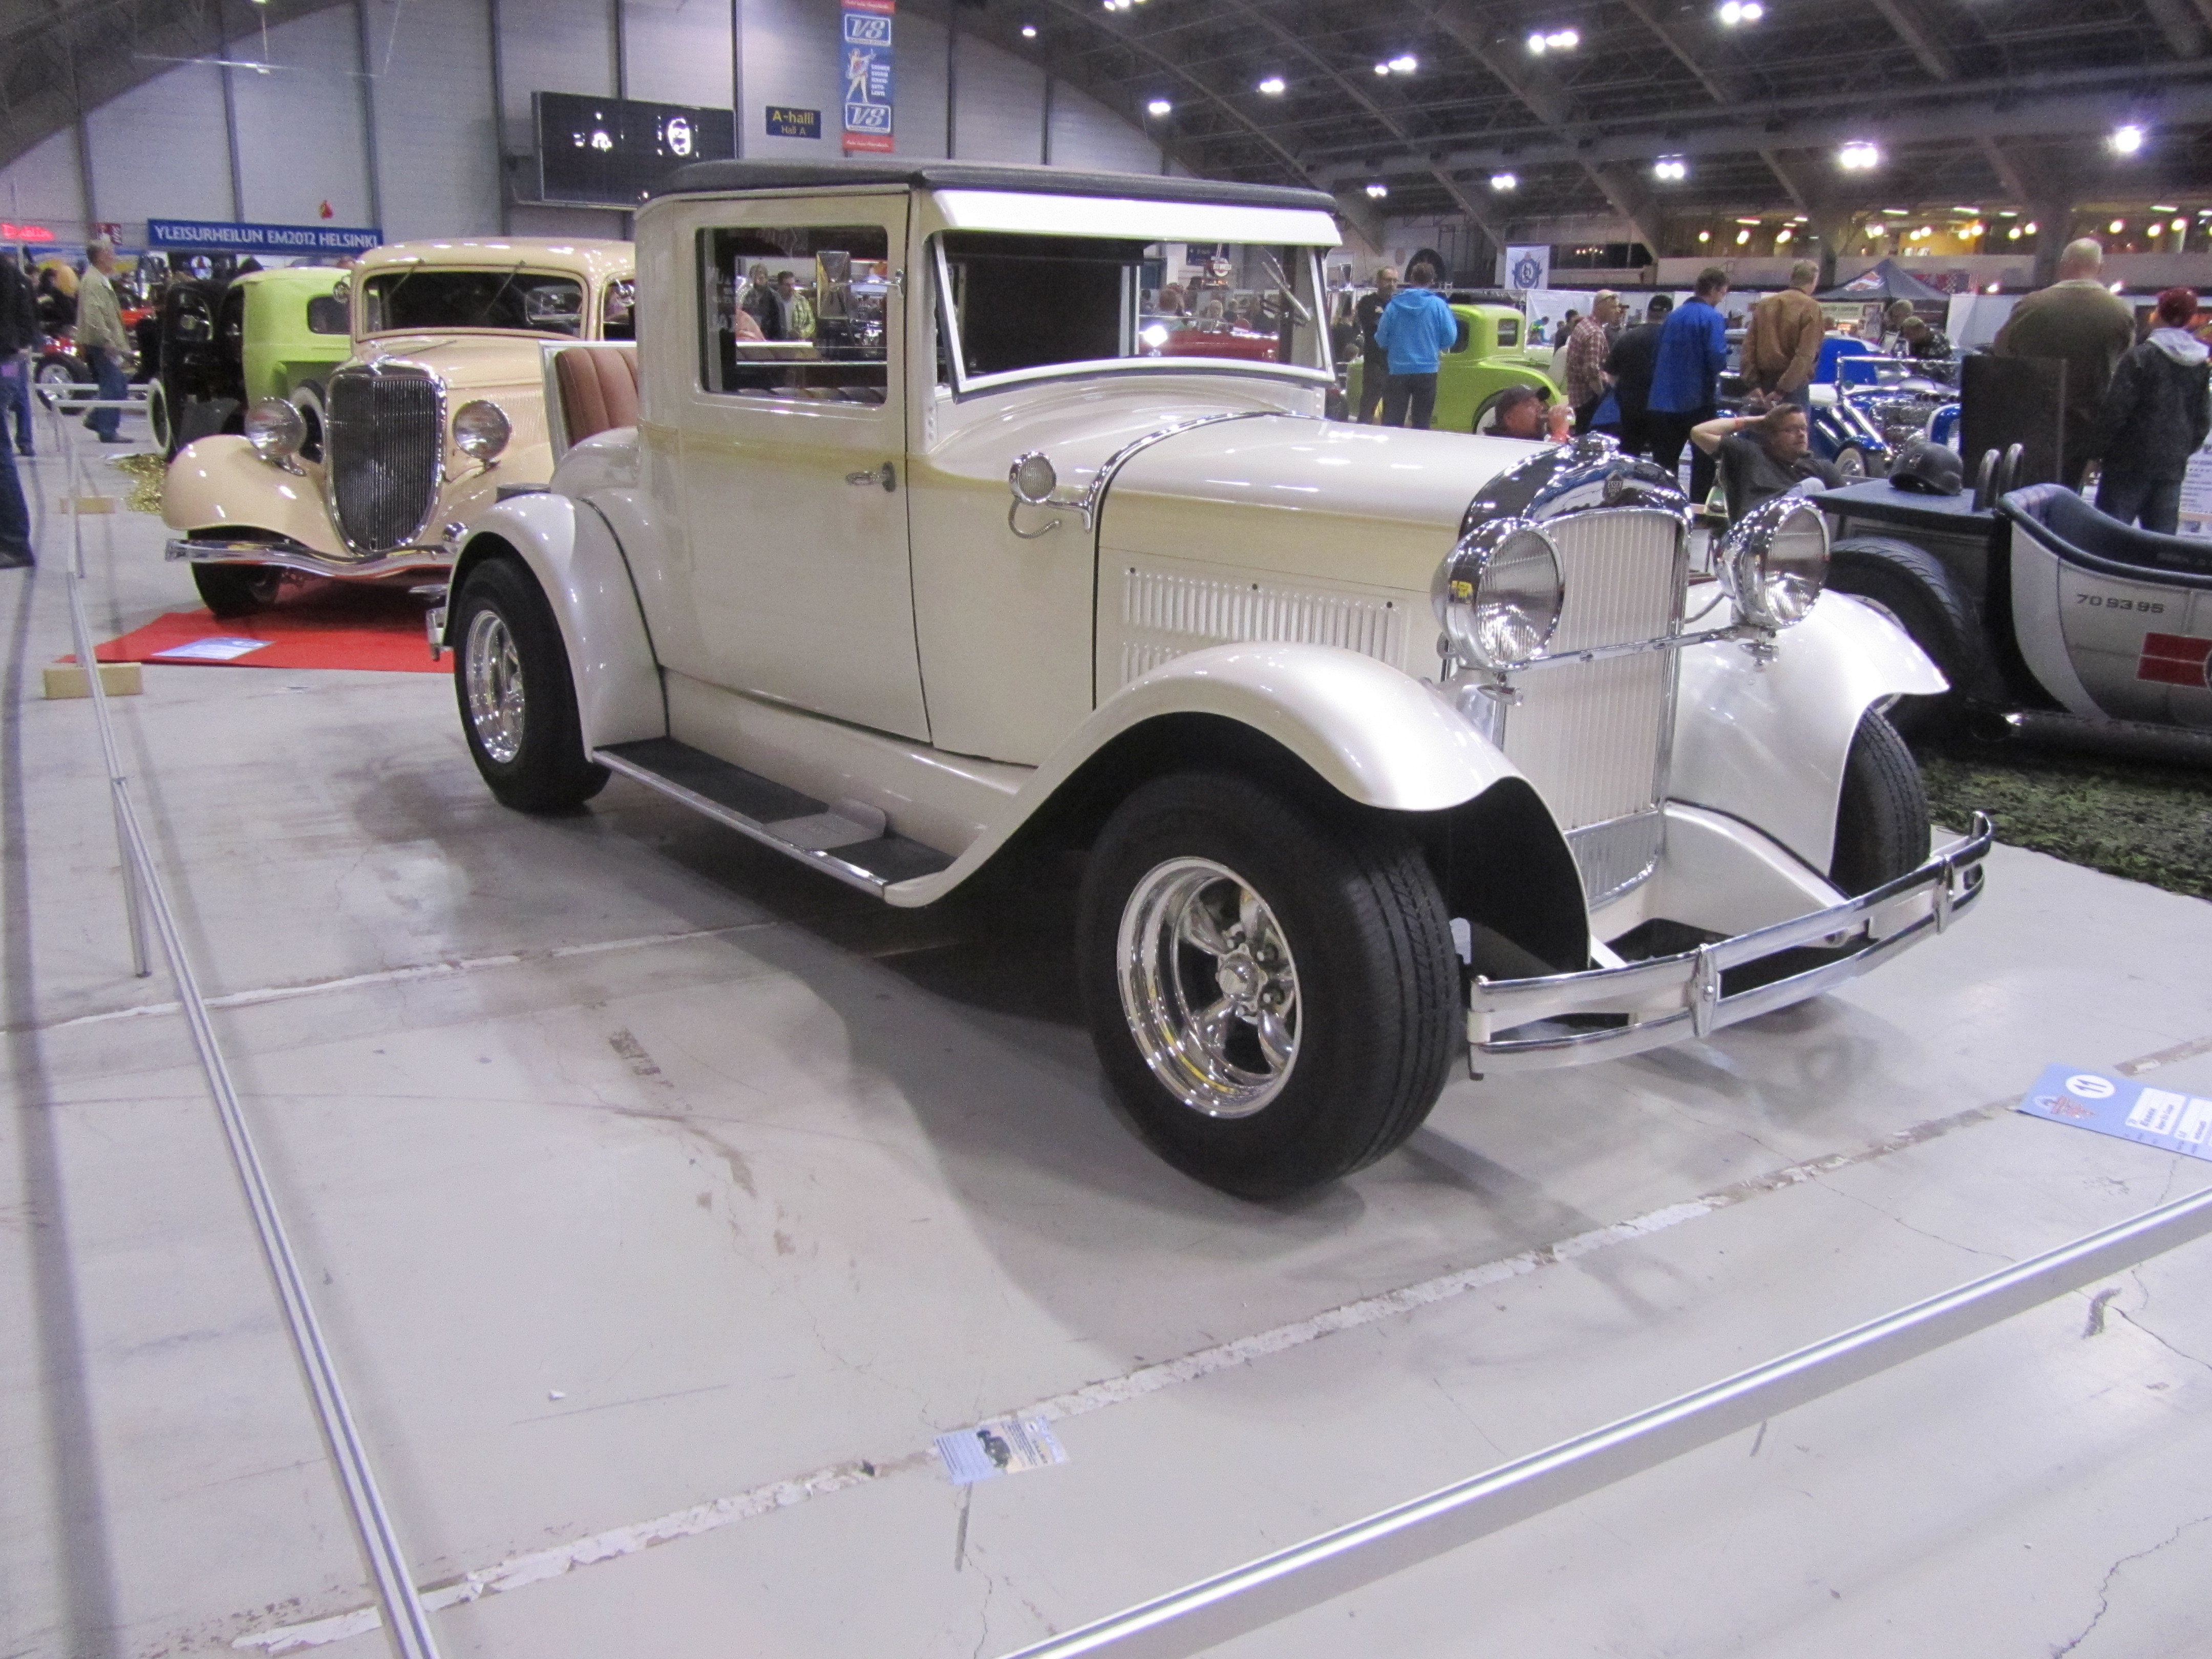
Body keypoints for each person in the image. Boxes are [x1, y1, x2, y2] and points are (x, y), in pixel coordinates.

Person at [1994, 238, 2138, 487]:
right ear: (2100, 268)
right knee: (2067, 498)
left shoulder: (2031, 305)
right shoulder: (2120, 311)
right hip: (2085, 426)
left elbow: (2002, 350)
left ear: (2063, 266)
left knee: (2024, 494)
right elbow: (2123, 363)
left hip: (2032, 420)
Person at [2087, 286, 2210, 534]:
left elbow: (2116, 410)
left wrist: (2095, 453)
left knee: (2110, 537)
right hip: (2171, 466)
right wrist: (2182, 449)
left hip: (2127, 463)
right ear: (2189, 319)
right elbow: (2204, 419)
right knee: (2160, 545)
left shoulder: (2140, 358)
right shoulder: (2200, 364)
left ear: (2158, 314)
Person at [1648, 267, 1731, 503]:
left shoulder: (1673, 317)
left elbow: (1656, 357)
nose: (1721, 299)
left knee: (1664, 465)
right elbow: (1717, 357)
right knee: (1703, 461)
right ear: (1714, 290)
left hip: (1661, 401)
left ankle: (1664, 509)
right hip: (1696, 402)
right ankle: (1698, 510)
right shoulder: (1712, 317)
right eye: (1723, 294)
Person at [1690, 403, 1844, 519]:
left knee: (1816, 486)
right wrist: (1751, 422)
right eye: (1791, 430)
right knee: (1813, 485)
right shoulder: (1749, 454)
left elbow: (1845, 509)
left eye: (1804, 429)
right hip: (1758, 527)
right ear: (1772, 436)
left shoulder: (1822, 468)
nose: (1801, 435)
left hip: (1805, 539)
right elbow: (1699, 432)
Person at [1372, 260, 1456, 429]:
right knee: (1422, 422)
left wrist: (1393, 346)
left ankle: (1391, 453)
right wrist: (1434, 345)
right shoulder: (1439, 306)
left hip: (1397, 370)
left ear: (1411, 278)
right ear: (1432, 281)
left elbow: (1381, 338)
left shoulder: (1394, 306)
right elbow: (1451, 337)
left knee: (1392, 422)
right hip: (1427, 370)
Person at [1742, 261, 1824, 408]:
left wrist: (1753, 384)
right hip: (1793, 388)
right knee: (1794, 430)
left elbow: (1749, 347)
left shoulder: (1765, 305)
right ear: (1814, 280)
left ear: (1792, 278)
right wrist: (1783, 390)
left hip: (1762, 384)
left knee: (1760, 428)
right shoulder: (1811, 307)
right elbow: (1805, 355)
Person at [75, 238, 134, 444]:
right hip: (102, 343)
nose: (115, 257)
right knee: (115, 385)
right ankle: (108, 430)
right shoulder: (93, 281)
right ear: (100, 256)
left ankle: (96, 419)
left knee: (117, 384)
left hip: (104, 341)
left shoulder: (99, 278)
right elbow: (94, 315)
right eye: (111, 253)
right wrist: (108, 341)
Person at [1603, 293, 1671, 456]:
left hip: (1631, 408)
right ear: (1669, 314)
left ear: (1648, 313)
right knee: (1664, 460)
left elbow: (1611, 375)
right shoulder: (1672, 341)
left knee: (1629, 455)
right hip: (1662, 411)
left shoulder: (1627, 338)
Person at [1562, 291, 1619, 432]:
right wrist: (1603, 397)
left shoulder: (1583, 325)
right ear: (1600, 307)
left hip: (1577, 395)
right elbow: (1592, 372)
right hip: (1589, 399)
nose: (1617, 311)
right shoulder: (1595, 333)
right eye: (1613, 307)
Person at [1, 250, 37, 456]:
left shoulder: (20, 283)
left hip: (11, 352)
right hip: (13, 351)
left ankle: (25, 440)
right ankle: (25, 441)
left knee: (18, 394)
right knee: (17, 393)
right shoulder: (22, 282)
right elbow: (29, 315)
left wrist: (24, 343)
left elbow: (28, 314)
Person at [1353, 266, 1397, 423]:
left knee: (1392, 411)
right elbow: (1374, 326)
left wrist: (1383, 315)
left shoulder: (1399, 304)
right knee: (1368, 407)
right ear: (1378, 281)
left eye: (1394, 281)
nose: (1391, 284)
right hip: (1374, 363)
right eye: (1387, 280)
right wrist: (1389, 318)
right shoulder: (1367, 302)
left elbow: (1397, 328)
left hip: (1394, 364)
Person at [1490, 382, 1575, 442]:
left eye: (1539, 404)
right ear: (1510, 418)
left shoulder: (1544, 439)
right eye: (1530, 405)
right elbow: (1547, 464)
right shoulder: (1499, 444)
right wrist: (1560, 433)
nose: (1540, 408)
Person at [740, 263, 781, 339]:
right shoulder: (748, 295)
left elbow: (780, 325)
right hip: (751, 338)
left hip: (770, 340)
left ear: (766, 279)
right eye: (755, 278)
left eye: (761, 278)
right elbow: (743, 317)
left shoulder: (774, 297)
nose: (757, 281)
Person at [775, 270, 816, 341]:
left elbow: (811, 323)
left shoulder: (802, 301)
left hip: (798, 344)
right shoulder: (773, 301)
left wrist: (801, 333)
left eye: (793, 284)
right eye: (787, 285)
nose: (791, 288)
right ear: (779, 285)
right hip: (778, 343)